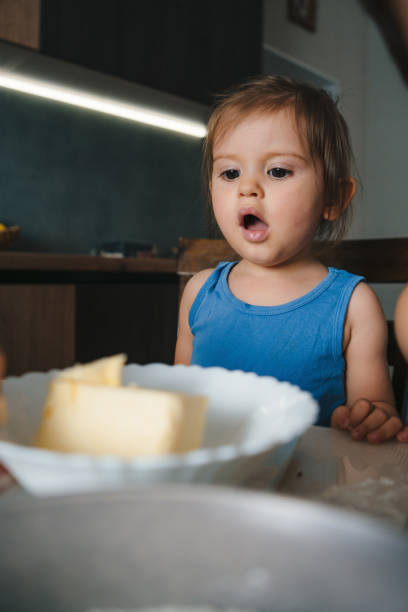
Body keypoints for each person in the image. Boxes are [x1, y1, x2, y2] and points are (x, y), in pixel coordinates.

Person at [174, 75, 407, 443]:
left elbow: (375, 410)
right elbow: (178, 403)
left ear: (332, 198)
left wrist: (373, 418)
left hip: (307, 485)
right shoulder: (200, 292)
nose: (247, 187)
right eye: (230, 172)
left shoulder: (354, 306)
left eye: (278, 171)